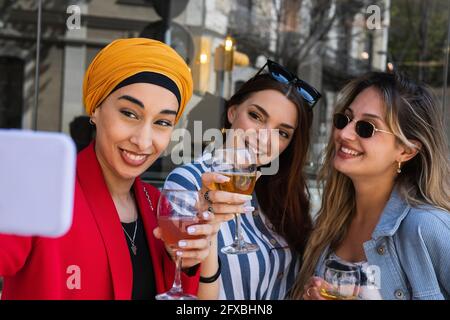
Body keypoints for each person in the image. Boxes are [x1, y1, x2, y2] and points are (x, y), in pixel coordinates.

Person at [0, 38, 217, 299]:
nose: (143, 140)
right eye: (129, 113)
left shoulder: (159, 207)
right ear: (95, 109)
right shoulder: (43, 192)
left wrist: (197, 248)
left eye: (162, 122)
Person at [165, 59, 322, 299]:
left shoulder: (279, 195)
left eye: (282, 132)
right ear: (232, 112)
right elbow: (183, 282)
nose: (264, 138)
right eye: (256, 116)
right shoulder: (188, 181)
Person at [290, 71, 450, 300]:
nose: (344, 133)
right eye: (344, 119)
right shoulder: (328, 224)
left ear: (406, 151)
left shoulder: (428, 227)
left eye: (366, 128)